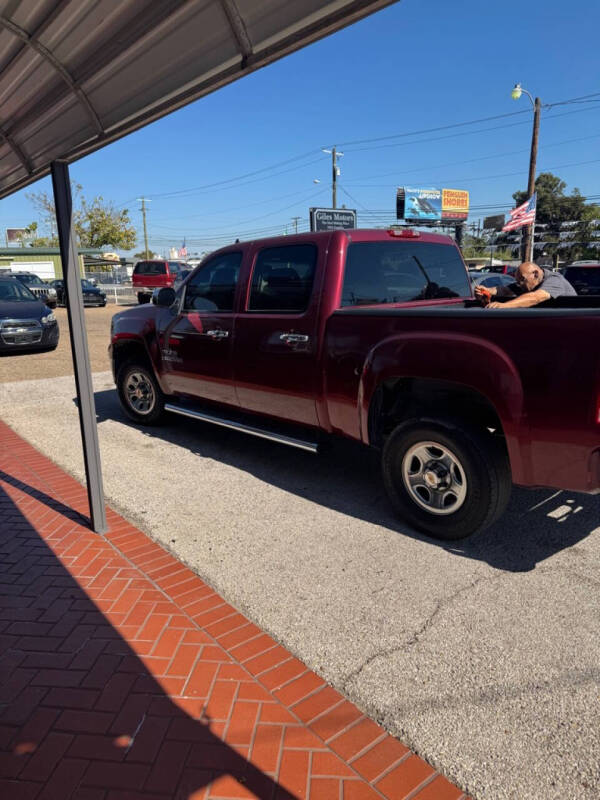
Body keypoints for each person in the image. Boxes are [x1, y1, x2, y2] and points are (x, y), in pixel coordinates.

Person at [475, 261, 576, 309]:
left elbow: (536, 297)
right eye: (518, 281)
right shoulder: (525, 284)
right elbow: (505, 290)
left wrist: (504, 306)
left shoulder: (554, 280)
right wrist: (487, 290)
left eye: (522, 280)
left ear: (535, 274)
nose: (520, 284)